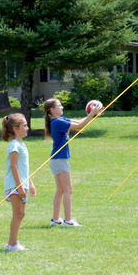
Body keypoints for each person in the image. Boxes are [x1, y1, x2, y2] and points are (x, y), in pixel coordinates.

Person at [43, 97, 101, 227]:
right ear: (52, 109)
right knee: (68, 189)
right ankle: (68, 221)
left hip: (56, 159)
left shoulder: (60, 120)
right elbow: (80, 126)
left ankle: (55, 219)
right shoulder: (57, 123)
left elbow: (80, 122)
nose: (62, 107)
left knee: (60, 190)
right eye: (59, 105)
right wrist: (92, 113)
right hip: (60, 159)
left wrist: (93, 115)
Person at [2, 113, 36, 251]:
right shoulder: (14, 145)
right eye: (24, 125)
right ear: (16, 128)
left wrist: (31, 184)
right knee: (17, 213)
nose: (27, 128)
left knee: (21, 213)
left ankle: (14, 242)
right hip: (15, 184)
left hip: (22, 184)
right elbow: (13, 167)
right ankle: (12, 244)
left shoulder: (21, 144)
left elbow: (24, 169)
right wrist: (20, 187)